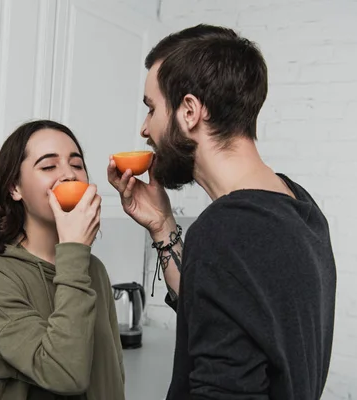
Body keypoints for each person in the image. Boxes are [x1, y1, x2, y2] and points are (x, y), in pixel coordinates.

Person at [108, 24, 336, 399]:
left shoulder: (224, 232)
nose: (145, 129)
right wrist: (163, 227)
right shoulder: (298, 205)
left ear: (189, 111)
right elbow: (225, 312)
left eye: (151, 109)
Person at [0, 120, 125, 400]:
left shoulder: (93, 269)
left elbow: (113, 374)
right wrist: (74, 249)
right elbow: (64, 374)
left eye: (76, 165)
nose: (68, 175)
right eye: (48, 166)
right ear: (15, 187)